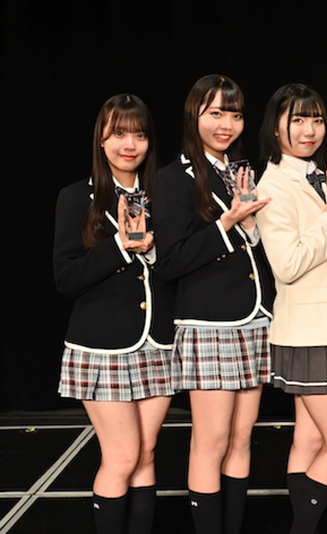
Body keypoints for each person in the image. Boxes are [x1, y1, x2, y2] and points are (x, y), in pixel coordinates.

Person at [152, 74, 274, 534]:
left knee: (242, 438)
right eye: (216, 113)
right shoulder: (172, 178)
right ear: (194, 116)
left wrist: (251, 226)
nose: (227, 124)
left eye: (235, 114)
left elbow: (258, 249)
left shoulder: (243, 171)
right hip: (209, 325)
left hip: (255, 319)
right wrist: (227, 224)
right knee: (212, 440)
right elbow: (170, 261)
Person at [54, 93, 174, 534]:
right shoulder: (76, 197)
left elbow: (178, 265)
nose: (130, 144)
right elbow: (66, 278)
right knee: (122, 456)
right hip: (103, 346)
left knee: (146, 454)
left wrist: (154, 250)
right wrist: (121, 246)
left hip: (158, 342)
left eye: (139, 135)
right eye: (119, 133)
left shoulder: (165, 194)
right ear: (101, 140)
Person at [254, 83, 327, 534]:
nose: (309, 130)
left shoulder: (321, 177)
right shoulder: (271, 185)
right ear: (275, 126)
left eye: (316, 119)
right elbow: (287, 264)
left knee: (310, 438)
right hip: (309, 331)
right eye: (297, 119)